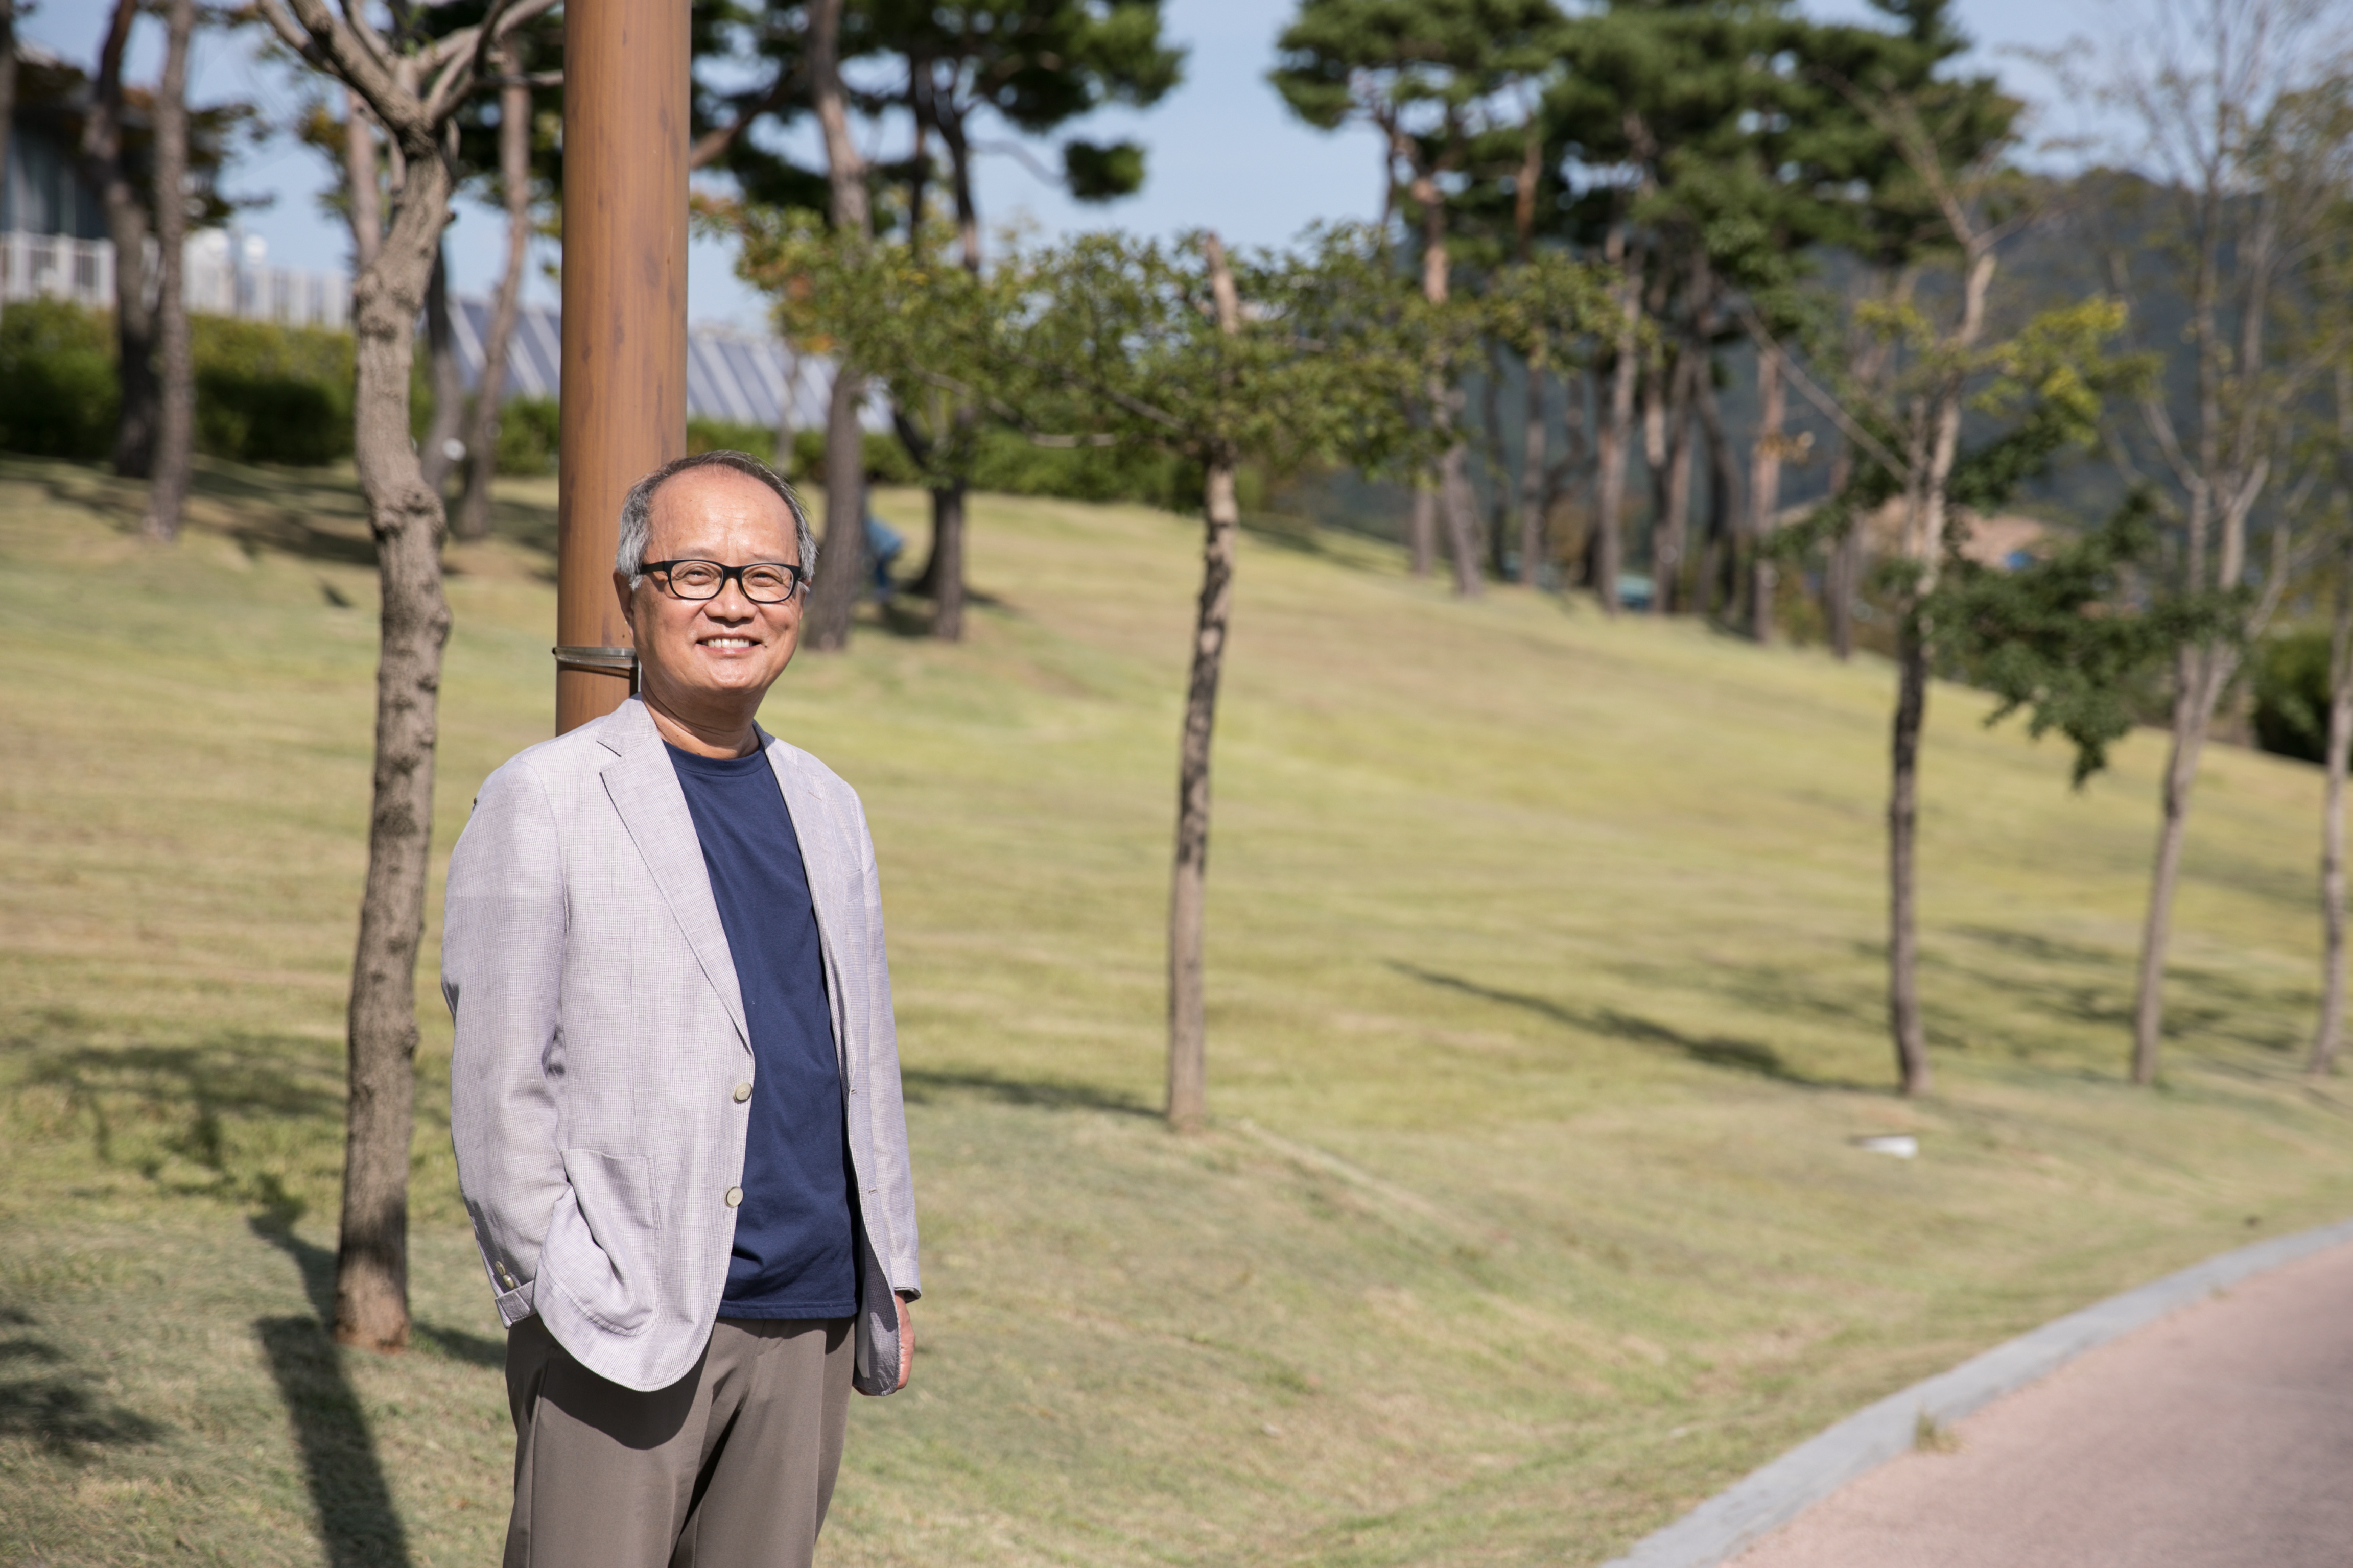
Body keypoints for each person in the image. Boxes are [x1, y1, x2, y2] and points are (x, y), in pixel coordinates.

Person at [442, 449, 920, 1568]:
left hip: (808, 1314)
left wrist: (886, 1264)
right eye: (695, 571)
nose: (733, 604)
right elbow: (499, 1088)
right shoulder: (544, 798)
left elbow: (866, 1053)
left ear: (800, 600)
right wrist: (565, 1287)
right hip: (627, 1318)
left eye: (766, 576)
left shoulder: (829, 803)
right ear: (631, 593)